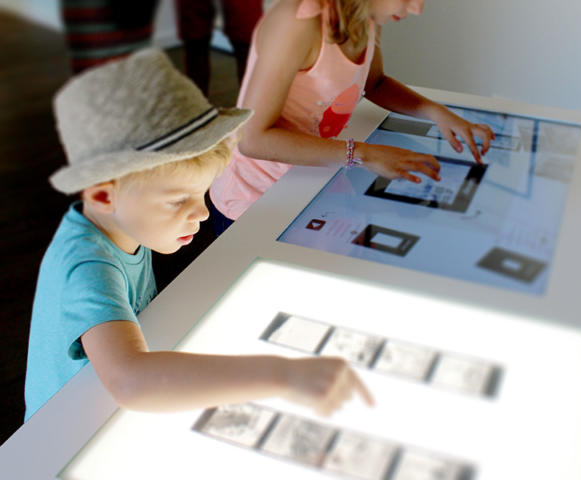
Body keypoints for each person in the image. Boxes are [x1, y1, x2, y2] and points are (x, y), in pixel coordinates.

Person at [24, 48, 373, 421]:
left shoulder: (119, 223)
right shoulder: (88, 266)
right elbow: (130, 381)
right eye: (178, 201)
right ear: (104, 195)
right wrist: (282, 375)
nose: (204, 213)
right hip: (63, 426)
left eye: (202, 193)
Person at [209, 0, 496, 234]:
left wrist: (436, 112)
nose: (416, 9)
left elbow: (376, 83)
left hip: (309, 182)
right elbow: (251, 139)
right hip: (252, 201)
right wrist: (365, 154)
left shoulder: (364, 18)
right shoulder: (298, 22)